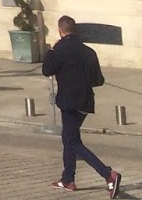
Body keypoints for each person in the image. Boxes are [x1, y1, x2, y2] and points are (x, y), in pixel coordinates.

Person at [42, 15, 120, 195]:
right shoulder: (89, 51)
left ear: (60, 31)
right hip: (85, 102)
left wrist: (51, 51)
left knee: (73, 142)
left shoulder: (59, 50)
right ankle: (68, 179)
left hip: (69, 102)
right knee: (68, 138)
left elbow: (47, 70)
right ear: (74, 30)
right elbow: (98, 80)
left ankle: (108, 174)